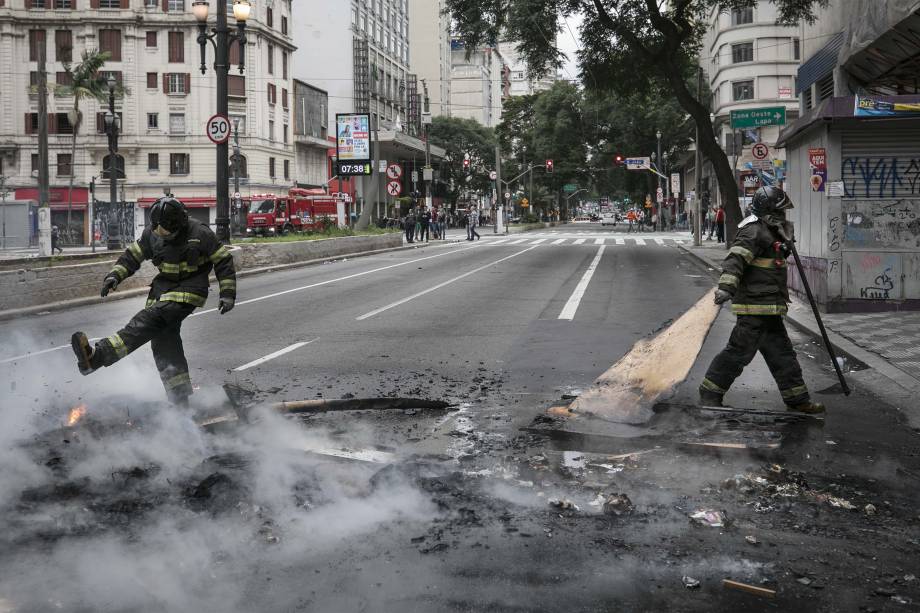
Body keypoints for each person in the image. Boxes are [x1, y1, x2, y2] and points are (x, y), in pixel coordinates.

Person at [70, 197, 236, 407]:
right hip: (162, 289)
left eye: (167, 231)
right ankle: (180, 400)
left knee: (148, 321)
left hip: (190, 291)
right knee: (164, 343)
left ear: (179, 224)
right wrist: (114, 276)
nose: (162, 236)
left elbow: (223, 261)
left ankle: (98, 357)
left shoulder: (200, 233)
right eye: (158, 231)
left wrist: (227, 293)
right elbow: (132, 256)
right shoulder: (152, 233)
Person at [699, 186, 825, 414]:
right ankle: (710, 394)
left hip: (770, 307)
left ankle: (798, 399)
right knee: (738, 353)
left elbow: (774, 261)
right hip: (753, 307)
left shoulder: (773, 232)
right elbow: (736, 260)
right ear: (768, 211)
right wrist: (726, 287)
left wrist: (786, 242)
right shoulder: (752, 231)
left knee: (783, 355)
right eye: (780, 211)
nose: (784, 216)